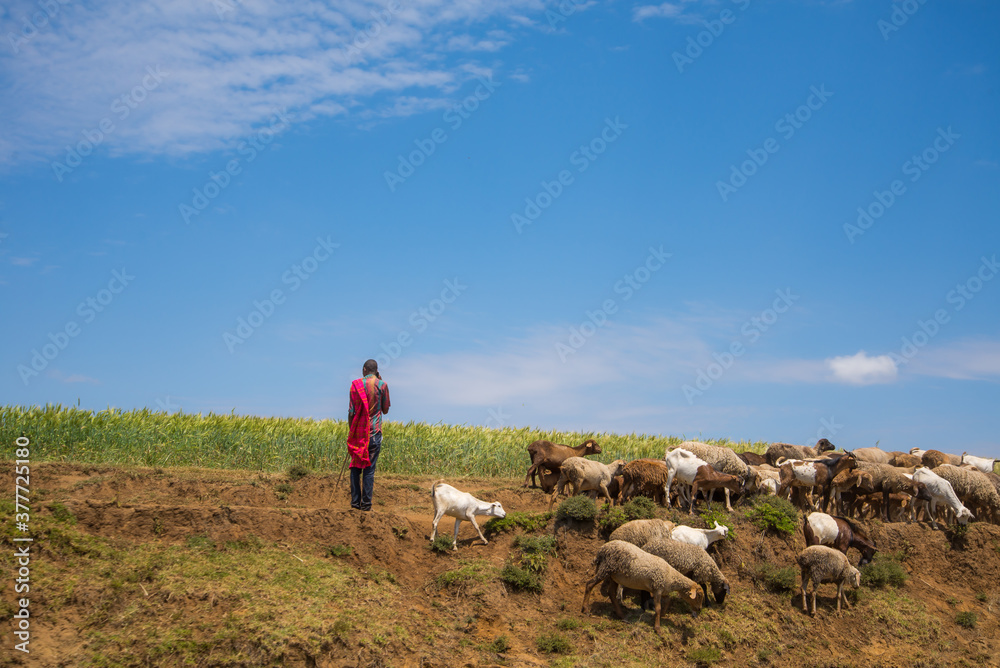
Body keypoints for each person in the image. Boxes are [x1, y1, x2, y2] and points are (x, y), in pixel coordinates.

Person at [347, 359, 390, 511]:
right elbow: (385, 410)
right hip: (374, 432)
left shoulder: (355, 385)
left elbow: (351, 411)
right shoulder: (382, 385)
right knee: (369, 469)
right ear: (376, 371)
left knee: (355, 468)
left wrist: (352, 431)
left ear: (364, 369)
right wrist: (380, 379)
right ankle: (366, 505)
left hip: (358, 433)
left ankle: (354, 504)